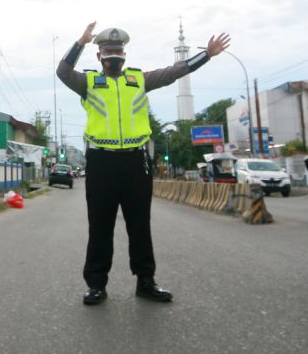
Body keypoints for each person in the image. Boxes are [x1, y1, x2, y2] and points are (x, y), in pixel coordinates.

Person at [57, 22, 231, 305]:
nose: (114, 54)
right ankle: (96, 285)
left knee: (140, 225)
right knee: (99, 226)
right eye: (108, 50)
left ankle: (146, 282)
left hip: (136, 162)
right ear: (98, 55)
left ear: (124, 54)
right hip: (101, 162)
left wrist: (206, 55)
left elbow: (174, 72)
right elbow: (63, 72)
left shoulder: (138, 80)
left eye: (118, 50)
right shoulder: (88, 83)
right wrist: (79, 42)